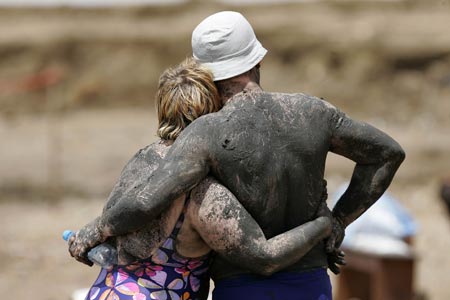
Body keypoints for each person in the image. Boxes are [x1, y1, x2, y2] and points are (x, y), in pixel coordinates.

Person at [70, 11, 405, 299]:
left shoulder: (206, 132)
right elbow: (387, 154)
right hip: (310, 281)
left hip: (240, 286)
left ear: (204, 73)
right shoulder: (312, 113)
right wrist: (338, 220)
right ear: (257, 58)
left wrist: (96, 229)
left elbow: (145, 203)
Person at [70, 57, 338, 300]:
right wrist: (324, 224)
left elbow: (114, 233)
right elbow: (264, 255)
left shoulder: (141, 161)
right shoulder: (204, 192)